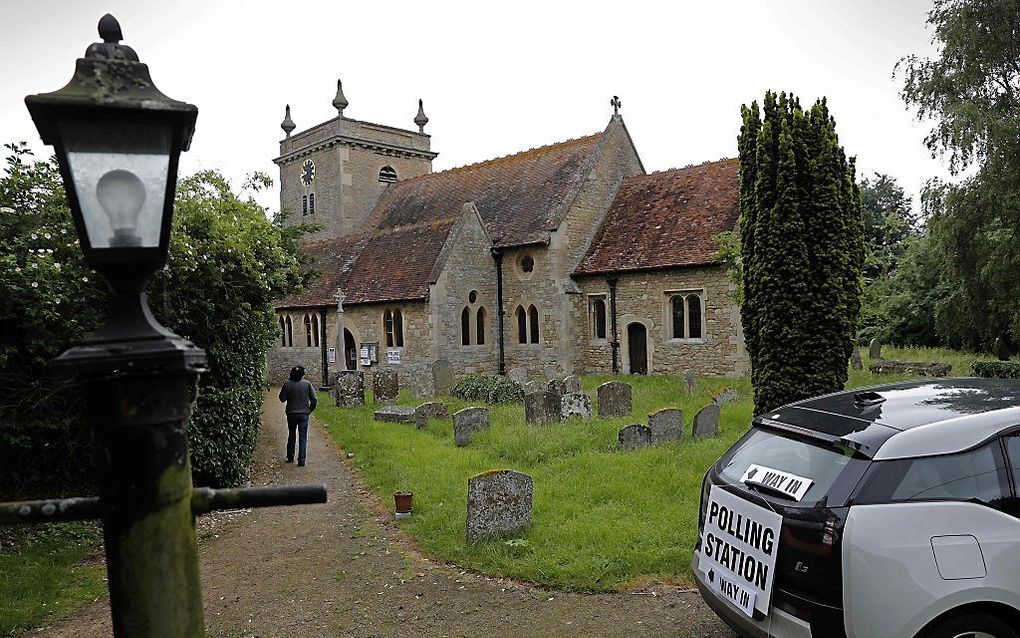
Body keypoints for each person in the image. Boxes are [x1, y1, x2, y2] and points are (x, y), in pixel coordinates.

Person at [278, 366, 317, 466]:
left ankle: (290, 456)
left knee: (291, 434)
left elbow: (282, 398)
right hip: (304, 413)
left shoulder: (287, 384)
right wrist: (309, 410)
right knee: (303, 437)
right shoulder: (307, 384)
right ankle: (302, 460)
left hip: (291, 413)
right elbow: (314, 400)